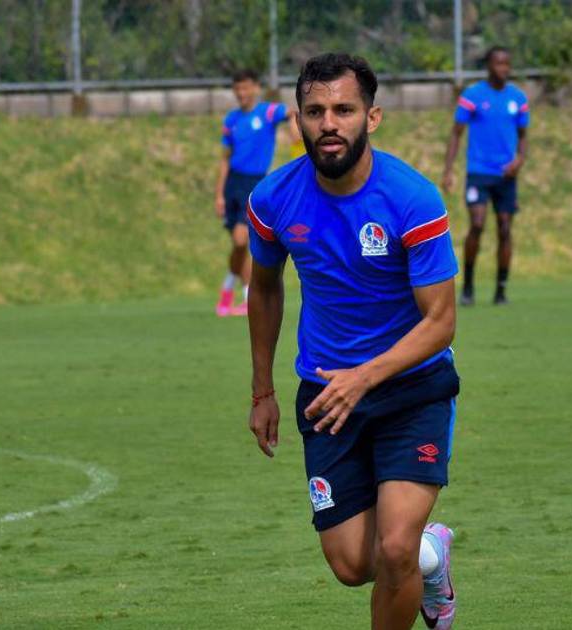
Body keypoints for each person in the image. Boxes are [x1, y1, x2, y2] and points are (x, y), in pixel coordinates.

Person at [246, 53, 460, 630]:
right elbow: (263, 288)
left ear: (373, 116)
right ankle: (431, 555)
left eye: (344, 109)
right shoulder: (272, 199)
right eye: (315, 111)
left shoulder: (412, 199)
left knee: (393, 549)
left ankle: (412, 550)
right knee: (351, 565)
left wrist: (364, 377)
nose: (329, 123)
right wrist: (262, 390)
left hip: (412, 388)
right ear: (298, 120)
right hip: (326, 396)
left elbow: (440, 322)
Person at [442, 46, 530, 306]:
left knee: (505, 228)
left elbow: (523, 136)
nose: (503, 68)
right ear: (489, 66)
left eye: (507, 64)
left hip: (506, 175)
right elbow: (456, 133)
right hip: (479, 172)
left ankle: (501, 290)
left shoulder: (518, 98)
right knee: (478, 224)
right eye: (498, 63)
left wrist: (519, 160)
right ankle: (468, 287)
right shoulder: (473, 95)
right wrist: (448, 170)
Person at [214, 69, 296, 316]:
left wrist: (295, 131)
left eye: (246, 87)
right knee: (238, 246)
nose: (242, 93)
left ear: (256, 88)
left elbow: (291, 112)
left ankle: (239, 293)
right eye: (237, 88)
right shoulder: (231, 120)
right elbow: (225, 159)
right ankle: (233, 294)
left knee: (242, 241)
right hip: (233, 184)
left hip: (254, 183)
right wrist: (219, 194)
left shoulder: (266, 112)